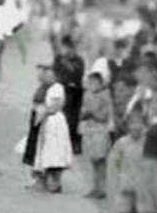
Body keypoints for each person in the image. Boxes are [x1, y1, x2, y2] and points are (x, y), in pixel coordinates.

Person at [23, 63, 72, 193]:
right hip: (44, 122)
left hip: (54, 121)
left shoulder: (58, 88)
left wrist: (43, 112)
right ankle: (42, 179)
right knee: (42, 150)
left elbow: (54, 106)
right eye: (47, 75)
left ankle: (55, 181)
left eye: (51, 75)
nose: (48, 78)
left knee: (55, 150)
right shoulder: (44, 87)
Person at [80, 71, 114, 199]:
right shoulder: (86, 95)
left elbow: (104, 116)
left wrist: (91, 113)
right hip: (89, 131)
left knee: (101, 161)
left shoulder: (105, 96)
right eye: (90, 82)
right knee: (93, 160)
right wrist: (84, 115)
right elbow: (82, 112)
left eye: (95, 82)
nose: (92, 85)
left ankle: (102, 188)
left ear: (100, 83)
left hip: (100, 130)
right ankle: (95, 187)